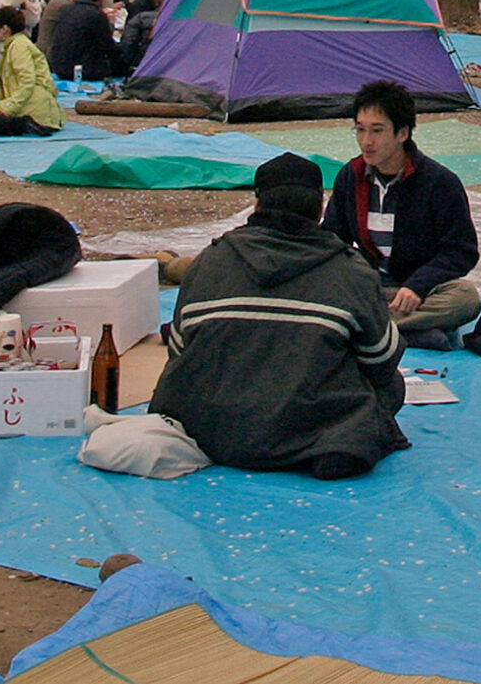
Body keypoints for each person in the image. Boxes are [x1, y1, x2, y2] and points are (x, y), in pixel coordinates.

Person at [148, 153, 407, 478]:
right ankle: (331, 446)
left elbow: (180, 353)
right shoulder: (350, 271)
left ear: (257, 205)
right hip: (308, 426)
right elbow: (381, 364)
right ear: (320, 210)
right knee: (392, 386)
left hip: (211, 429)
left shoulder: (208, 262)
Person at [324, 80, 481, 348]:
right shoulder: (351, 176)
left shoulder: (439, 182)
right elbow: (333, 238)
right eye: (360, 130)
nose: (366, 141)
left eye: (377, 131)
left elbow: (461, 251)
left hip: (419, 290)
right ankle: (410, 333)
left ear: (402, 134)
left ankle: (367, 329)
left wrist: (417, 286)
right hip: (371, 286)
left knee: (465, 297)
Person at [0, 7, 63, 135]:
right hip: (33, 106)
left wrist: (9, 108)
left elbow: (27, 82)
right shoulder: (16, 44)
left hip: (34, 108)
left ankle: (23, 124)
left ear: (4, 29)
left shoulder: (19, 46)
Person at [45, 0, 121, 82]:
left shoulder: (64, 10)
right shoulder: (97, 15)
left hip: (58, 65)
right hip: (83, 69)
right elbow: (107, 45)